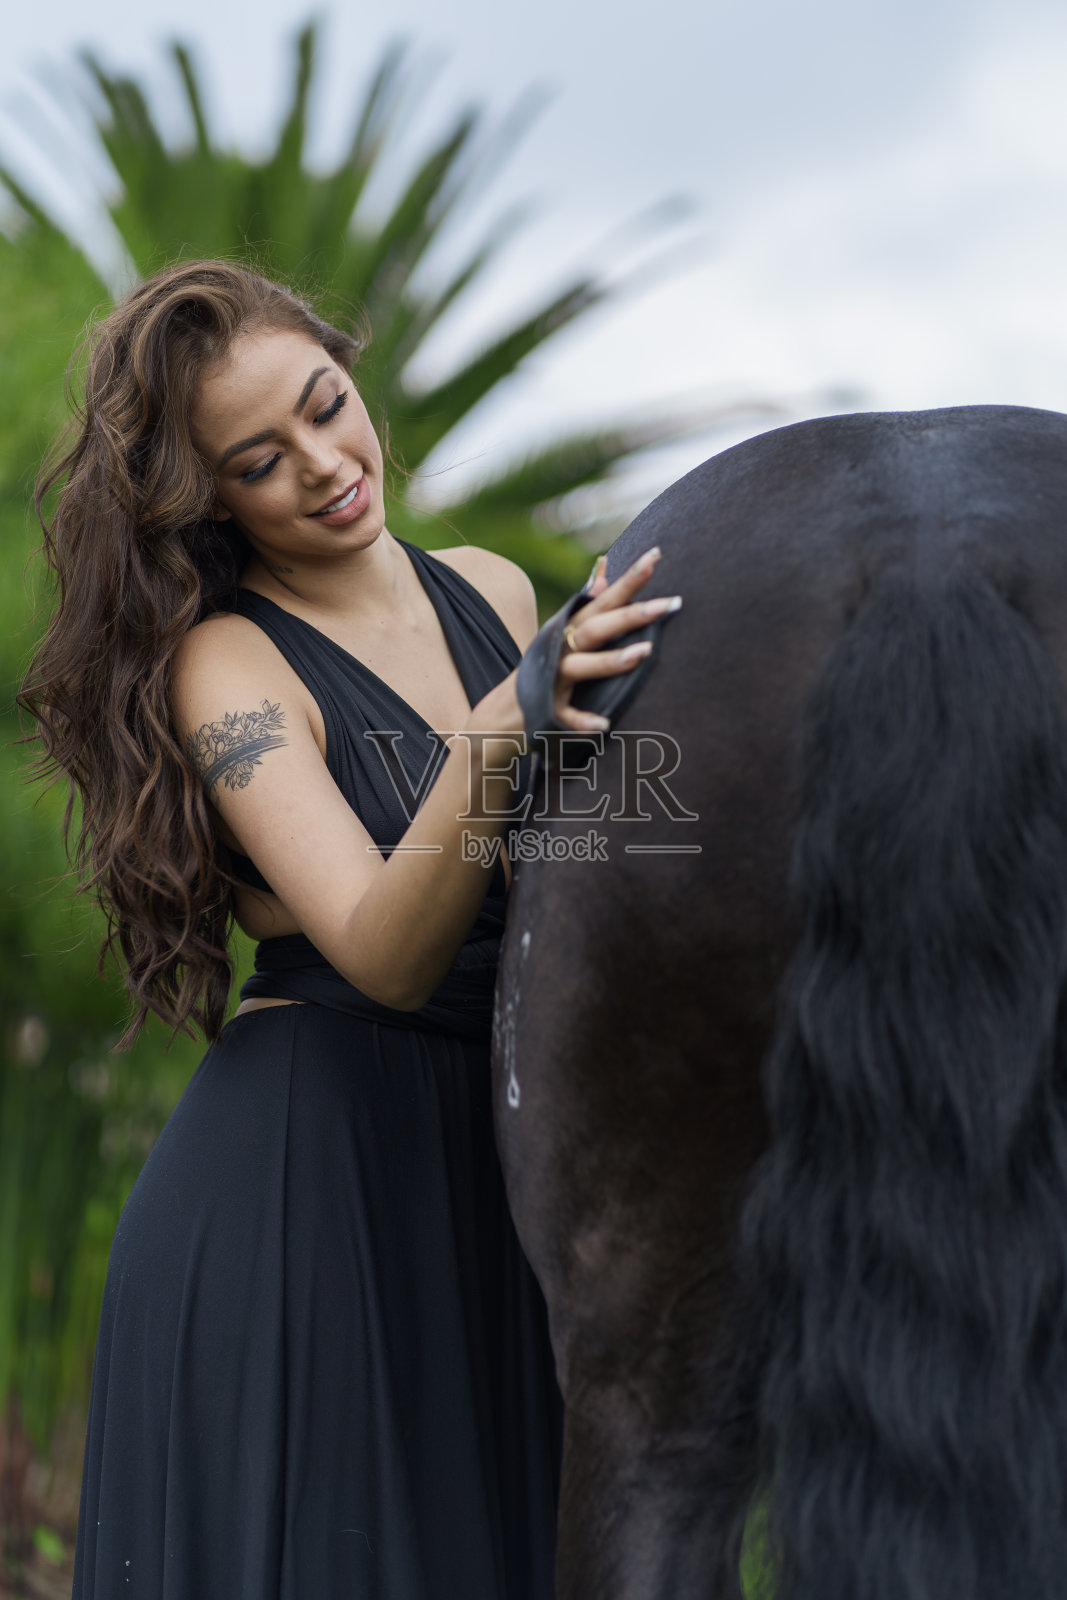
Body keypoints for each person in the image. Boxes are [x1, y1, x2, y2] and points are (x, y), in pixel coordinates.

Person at [18, 258, 679, 1599]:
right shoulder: (229, 665)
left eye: (328, 404)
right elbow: (380, 944)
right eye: (261, 461)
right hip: (302, 1201)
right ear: (210, 503)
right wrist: (507, 723)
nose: (324, 464)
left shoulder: (491, 596)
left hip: (489, 1175)